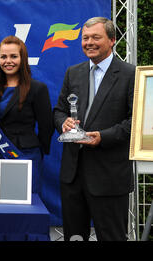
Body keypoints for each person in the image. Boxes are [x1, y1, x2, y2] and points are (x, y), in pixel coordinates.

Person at [53, 17, 135, 241]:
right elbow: (59, 110)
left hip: (109, 177)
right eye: (85, 38)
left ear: (112, 40)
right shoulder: (73, 72)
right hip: (73, 176)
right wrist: (63, 123)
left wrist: (103, 137)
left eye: (96, 37)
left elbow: (135, 122)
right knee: (75, 238)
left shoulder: (131, 75)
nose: (89, 42)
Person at [0, 36, 54, 194]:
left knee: (26, 204)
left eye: (13, 56)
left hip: (26, 155)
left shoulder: (37, 88)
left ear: (22, 59)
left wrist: (37, 149)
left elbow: (47, 126)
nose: (8, 61)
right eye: (3, 57)